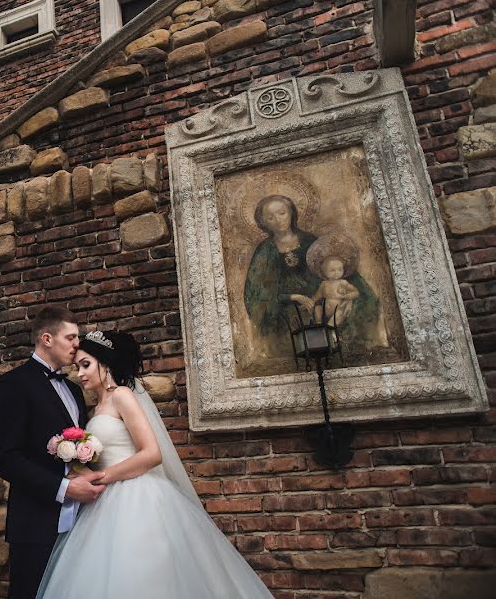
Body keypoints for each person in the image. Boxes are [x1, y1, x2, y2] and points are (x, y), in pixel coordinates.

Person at [36, 330, 274, 599]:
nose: (79, 374)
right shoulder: (93, 410)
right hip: (103, 502)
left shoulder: (122, 395)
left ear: (105, 363)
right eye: (77, 367)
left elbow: (151, 454)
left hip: (138, 496)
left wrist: (103, 475)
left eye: (86, 364)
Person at [0, 306, 106, 599]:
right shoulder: (13, 384)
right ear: (46, 339)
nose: (76, 345)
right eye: (70, 337)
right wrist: (65, 488)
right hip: (35, 522)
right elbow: (5, 458)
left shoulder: (74, 389)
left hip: (81, 522)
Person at [243, 194, 320, 354]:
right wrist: (293, 297)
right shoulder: (265, 250)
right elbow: (257, 293)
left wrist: (316, 298)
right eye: (270, 217)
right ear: (263, 223)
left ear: (291, 213)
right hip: (282, 313)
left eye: (282, 213)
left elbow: (327, 273)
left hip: (318, 303)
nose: (278, 220)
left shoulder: (309, 240)